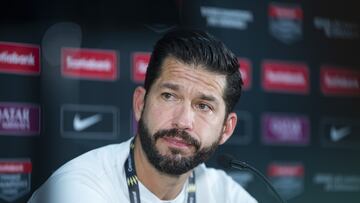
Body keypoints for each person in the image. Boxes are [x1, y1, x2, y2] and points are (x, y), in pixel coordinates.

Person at [28, 28, 257, 203]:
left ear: (226, 129)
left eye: (204, 106)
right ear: (140, 103)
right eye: (169, 96)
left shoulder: (224, 193)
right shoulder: (78, 188)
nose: (183, 121)